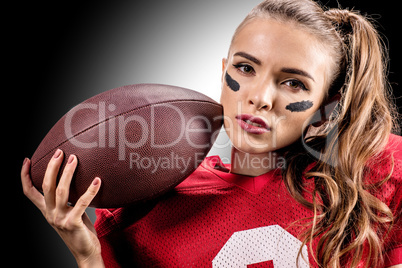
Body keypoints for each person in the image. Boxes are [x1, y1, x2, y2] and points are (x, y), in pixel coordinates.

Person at [21, 0, 402, 267]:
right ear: (224, 73)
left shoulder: (370, 178)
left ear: (325, 110)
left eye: (294, 84)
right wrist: (88, 257)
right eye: (246, 68)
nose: (259, 98)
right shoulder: (150, 209)